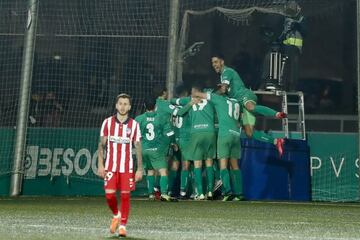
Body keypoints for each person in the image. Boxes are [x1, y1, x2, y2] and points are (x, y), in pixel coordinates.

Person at [211, 53, 286, 156]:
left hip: (245, 96)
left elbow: (223, 89)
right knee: (249, 133)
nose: (214, 64)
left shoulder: (227, 72)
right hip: (239, 105)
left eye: (216, 62)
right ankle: (276, 141)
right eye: (212, 63)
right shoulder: (222, 76)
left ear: (222, 62)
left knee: (250, 107)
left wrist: (211, 95)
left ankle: (277, 114)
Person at [97, 93, 143, 238]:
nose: (122, 106)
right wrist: (100, 164)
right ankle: (116, 215)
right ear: (116, 105)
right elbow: (101, 145)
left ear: (129, 107)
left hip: (127, 168)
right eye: (120, 103)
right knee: (109, 195)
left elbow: (138, 147)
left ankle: (123, 226)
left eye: (125, 104)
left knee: (125, 196)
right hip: (110, 166)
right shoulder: (107, 123)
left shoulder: (134, 125)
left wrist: (140, 169)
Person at [192, 85, 244, 201]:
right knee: (235, 165)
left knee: (223, 165)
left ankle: (227, 192)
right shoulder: (237, 102)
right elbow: (241, 118)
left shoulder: (219, 99)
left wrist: (195, 93)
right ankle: (239, 193)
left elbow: (203, 96)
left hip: (225, 135)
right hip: (236, 135)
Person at [172, 82, 216, 200]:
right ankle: (210, 191)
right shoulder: (211, 100)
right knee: (209, 162)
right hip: (210, 132)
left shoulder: (189, 101)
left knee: (196, 164)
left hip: (196, 133)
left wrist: (190, 102)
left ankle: (200, 193)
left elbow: (179, 112)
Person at [135, 97, 177, 201]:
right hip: (157, 150)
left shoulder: (138, 119)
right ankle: (163, 193)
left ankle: (150, 194)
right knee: (163, 171)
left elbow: (134, 134)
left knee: (150, 171)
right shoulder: (161, 118)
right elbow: (170, 133)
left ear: (144, 106)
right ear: (156, 106)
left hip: (144, 150)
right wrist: (172, 142)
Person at [280, 0, 305, 91]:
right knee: (284, 67)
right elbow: (282, 33)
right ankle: (283, 85)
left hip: (295, 48)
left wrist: (298, 25)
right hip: (286, 47)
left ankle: (292, 87)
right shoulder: (285, 20)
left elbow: (305, 31)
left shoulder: (301, 19)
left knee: (294, 68)